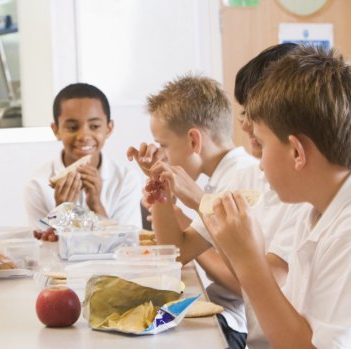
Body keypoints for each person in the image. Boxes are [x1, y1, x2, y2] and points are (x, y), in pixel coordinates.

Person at [204, 45, 351, 348]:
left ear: (297, 152)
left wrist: (248, 260)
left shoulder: (346, 233)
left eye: (263, 144)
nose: (259, 162)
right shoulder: (315, 213)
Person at [127, 74, 256, 348]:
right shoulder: (220, 178)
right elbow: (177, 251)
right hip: (218, 310)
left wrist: (201, 210)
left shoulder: (243, 177)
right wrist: (160, 189)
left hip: (234, 323)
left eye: (163, 145)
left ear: (194, 141)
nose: (161, 153)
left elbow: (241, 284)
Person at [24, 83, 142, 228]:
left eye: (94, 126)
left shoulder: (126, 180)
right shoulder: (38, 184)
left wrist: (96, 206)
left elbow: (130, 246)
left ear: (109, 128)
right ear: (56, 130)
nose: (84, 136)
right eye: (72, 128)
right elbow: (42, 247)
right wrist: (63, 212)